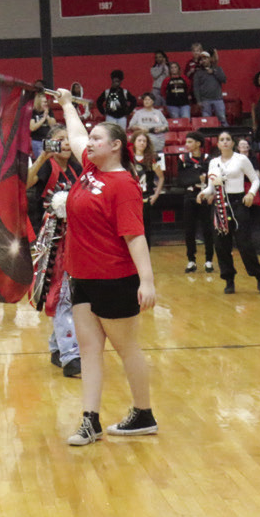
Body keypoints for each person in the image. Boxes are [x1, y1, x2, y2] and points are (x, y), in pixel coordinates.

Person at [53, 88, 158, 445]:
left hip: (114, 280)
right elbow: (77, 133)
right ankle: (90, 420)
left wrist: (147, 281)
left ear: (115, 146)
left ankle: (143, 413)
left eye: (99, 138)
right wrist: (67, 105)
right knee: (88, 350)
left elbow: (135, 236)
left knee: (127, 349)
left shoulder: (123, 184)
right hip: (81, 277)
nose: (90, 142)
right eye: (92, 138)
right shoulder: (89, 169)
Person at [29, 126, 82, 374]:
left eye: (68, 138)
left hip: (77, 237)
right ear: (50, 143)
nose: (66, 143)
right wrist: (42, 156)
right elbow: (26, 182)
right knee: (62, 293)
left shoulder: (77, 168)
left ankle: (57, 347)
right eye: (59, 139)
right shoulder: (48, 166)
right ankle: (71, 355)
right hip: (54, 240)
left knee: (71, 294)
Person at [200, 132, 260, 294]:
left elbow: (255, 179)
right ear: (217, 144)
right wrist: (204, 193)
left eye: (228, 139)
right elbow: (211, 186)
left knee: (245, 244)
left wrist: (250, 193)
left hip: (238, 204)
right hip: (220, 205)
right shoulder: (213, 162)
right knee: (222, 245)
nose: (225, 142)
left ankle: (259, 277)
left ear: (233, 143)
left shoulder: (241, 159)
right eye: (221, 140)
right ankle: (229, 280)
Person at [175, 132, 215, 274]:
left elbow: (212, 179)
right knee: (189, 230)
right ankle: (191, 260)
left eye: (190, 142)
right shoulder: (182, 158)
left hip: (205, 196)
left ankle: (209, 260)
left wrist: (193, 177)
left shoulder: (209, 159)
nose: (187, 145)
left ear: (198, 143)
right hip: (190, 196)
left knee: (207, 229)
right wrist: (197, 178)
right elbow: (181, 180)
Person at [127, 130, 163, 229]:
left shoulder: (151, 159)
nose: (142, 143)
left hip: (146, 197)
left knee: (145, 228)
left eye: (144, 141)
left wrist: (156, 194)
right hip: (130, 198)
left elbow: (161, 177)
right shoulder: (128, 159)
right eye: (139, 140)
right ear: (134, 142)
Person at [191, 53, 227, 123]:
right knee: (207, 121)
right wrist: (198, 101)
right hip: (205, 100)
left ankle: (225, 133)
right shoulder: (198, 73)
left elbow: (224, 80)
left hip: (218, 99)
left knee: (222, 119)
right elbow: (196, 88)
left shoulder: (218, 69)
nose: (204, 61)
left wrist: (214, 72)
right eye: (202, 59)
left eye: (205, 58)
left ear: (210, 59)